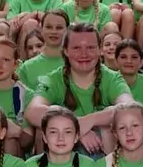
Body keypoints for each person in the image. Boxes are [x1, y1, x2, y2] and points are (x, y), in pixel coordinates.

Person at [25, 21, 133, 153]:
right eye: (76, 48)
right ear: (65, 51)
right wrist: (76, 127)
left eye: (90, 47)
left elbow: (130, 109)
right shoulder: (53, 79)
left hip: (104, 150)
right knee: (49, 114)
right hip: (64, 148)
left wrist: (90, 120)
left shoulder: (112, 78)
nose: (84, 54)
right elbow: (32, 112)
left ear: (99, 50)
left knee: (112, 116)